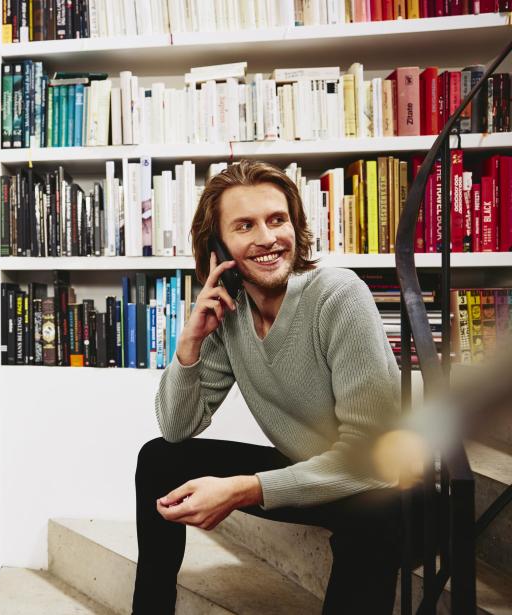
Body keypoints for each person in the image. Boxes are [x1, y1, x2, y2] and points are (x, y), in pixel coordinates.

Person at [131, 160, 408, 615]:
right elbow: (178, 427)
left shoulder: (339, 295)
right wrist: (189, 345)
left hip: (383, 482)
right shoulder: (230, 311)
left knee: (375, 516)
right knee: (158, 458)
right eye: (245, 226)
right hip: (308, 469)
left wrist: (245, 488)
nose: (267, 238)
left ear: (295, 227)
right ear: (218, 247)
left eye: (277, 220)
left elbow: (374, 461)